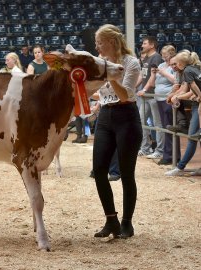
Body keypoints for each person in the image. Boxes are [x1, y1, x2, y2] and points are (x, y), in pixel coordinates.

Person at [93, 24, 142, 239]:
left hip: (127, 117)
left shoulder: (131, 63)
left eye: (100, 42)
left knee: (126, 173)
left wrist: (111, 75)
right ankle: (111, 220)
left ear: (112, 42)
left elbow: (125, 95)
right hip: (105, 117)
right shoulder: (101, 64)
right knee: (99, 170)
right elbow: (98, 92)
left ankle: (127, 223)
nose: (97, 47)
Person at [165, 50, 201, 176]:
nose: (173, 66)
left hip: (198, 105)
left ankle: (180, 168)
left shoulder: (188, 71)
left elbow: (193, 90)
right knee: (196, 136)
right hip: (197, 104)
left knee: (192, 136)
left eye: (176, 63)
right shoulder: (194, 68)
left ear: (180, 63)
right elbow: (191, 91)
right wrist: (177, 96)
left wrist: (178, 97)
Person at [150, 45, 179, 165]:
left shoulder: (174, 65)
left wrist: (163, 73)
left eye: (165, 53)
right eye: (162, 53)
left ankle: (173, 156)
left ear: (171, 53)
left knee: (170, 127)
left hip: (168, 99)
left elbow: (176, 81)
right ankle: (167, 155)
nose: (163, 55)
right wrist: (153, 74)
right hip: (159, 98)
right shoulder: (161, 65)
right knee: (164, 126)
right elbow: (153, 84)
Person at [136, 36, 164, 158]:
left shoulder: (156, 57)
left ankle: (160, 150)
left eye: (145, 43)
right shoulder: (146, 58)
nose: (142, 45)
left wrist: (144, 89)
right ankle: (145, 148)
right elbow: (142, 76)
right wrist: (133, 87)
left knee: (158, 124)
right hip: (145, 95)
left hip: (153, 94)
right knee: (141, 122)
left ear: (152, 45)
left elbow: (154, 78)